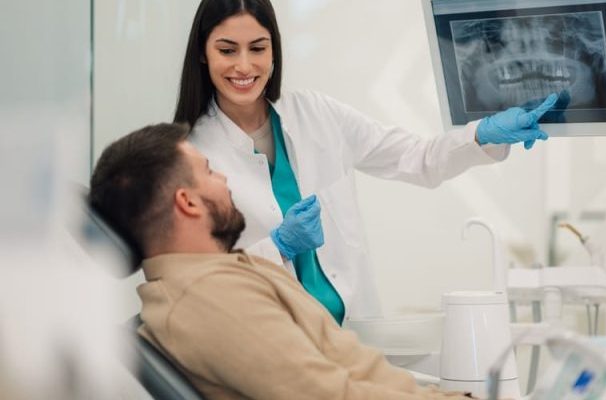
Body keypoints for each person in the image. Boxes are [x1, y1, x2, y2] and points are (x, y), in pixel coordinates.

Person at [173, 0, 558, 324]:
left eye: (258, 48)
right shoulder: (190, 155)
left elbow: (416, 157)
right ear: (203, 56)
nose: (244, 66)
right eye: (227, 50)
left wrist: (481, 136)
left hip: (353, 336)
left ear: (274, 51)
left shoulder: (315, 113)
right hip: (272, 345)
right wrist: (277, 248)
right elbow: (200, 286)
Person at [89, 123, 473, 400]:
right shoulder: (209, 298)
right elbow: (327, 395)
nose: (223, 178)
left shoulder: (220, 275)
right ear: (187, 202)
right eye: (208, 170)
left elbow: (347, 370)